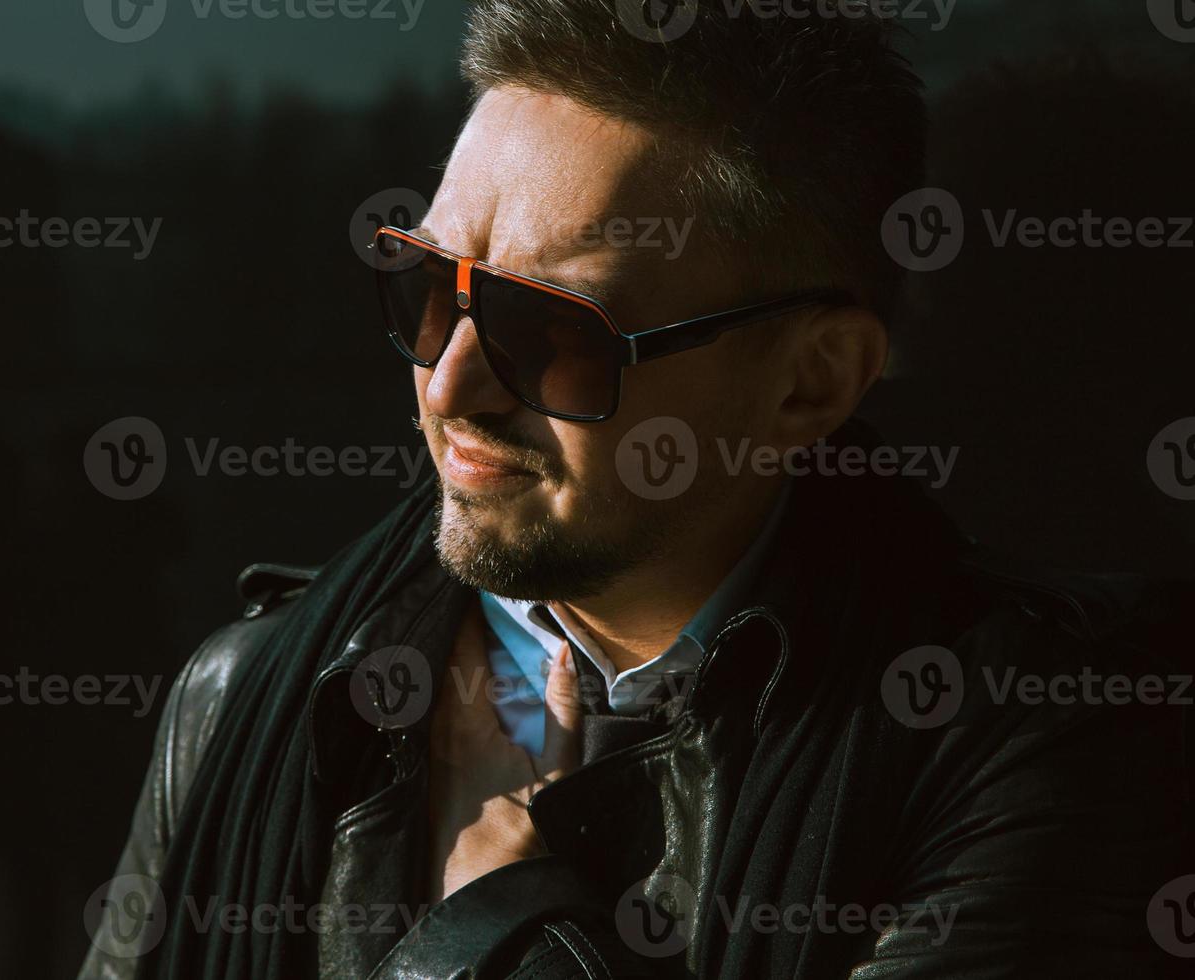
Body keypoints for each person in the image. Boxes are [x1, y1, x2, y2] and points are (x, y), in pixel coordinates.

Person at [82, 3, 1192, 977]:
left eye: (552, 331)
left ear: (810, 382)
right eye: (425, 287)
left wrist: (510, 930)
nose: (450, 386)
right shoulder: (249, 691)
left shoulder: (1031, 739)